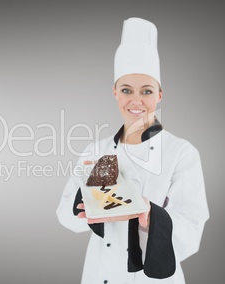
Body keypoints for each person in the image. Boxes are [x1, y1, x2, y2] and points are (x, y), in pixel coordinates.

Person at [56, 17, 209, 284]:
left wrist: (149, 217)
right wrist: (87, 202)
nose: (136, 101)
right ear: (115, 91)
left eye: (146, 91)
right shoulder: (99, 150)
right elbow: (64, 215)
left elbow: (191, 232)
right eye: (126, 89)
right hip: (99, 274)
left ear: (159, 95)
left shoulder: (181, 153)